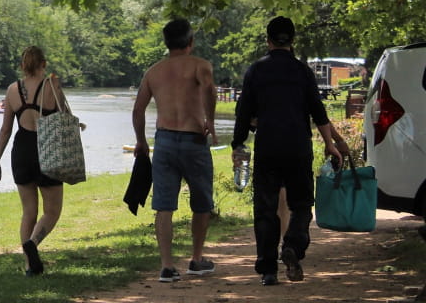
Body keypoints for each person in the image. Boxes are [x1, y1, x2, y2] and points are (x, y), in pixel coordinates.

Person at [231, 16, 346, 286]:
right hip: (297, 146)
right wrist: (330, 144)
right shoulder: (302, 72)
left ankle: (268, 269)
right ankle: (293, 245)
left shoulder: (256, 71)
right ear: (292, 41)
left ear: (268, 40)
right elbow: (318, 111)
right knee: (302, 204)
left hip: (268, 146)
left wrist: (238, 143)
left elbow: (243, 111)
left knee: (265, 208)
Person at [131, 18, 217, 282]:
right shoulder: (200, 66)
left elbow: (138, 109)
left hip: (164, 141)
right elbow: (210, 90)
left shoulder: (153, 72)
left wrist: (141, 141)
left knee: (164, 206)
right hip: (193, 140)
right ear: (190, 42)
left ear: (167, 43)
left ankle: (167, 266)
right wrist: (210, 121)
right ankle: (196, 258)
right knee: (201, 203)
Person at [0, 46, 68, 276]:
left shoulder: (13, 89)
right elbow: (64, 117)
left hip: (22, 150)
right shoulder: (52, 85)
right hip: (48, 149)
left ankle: (29, 266)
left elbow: (5, 129)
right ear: (43, 63)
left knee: (28, 212)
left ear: (22, 65)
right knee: (52, 211)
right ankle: (33, 243)